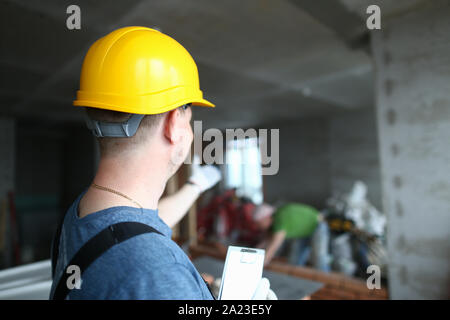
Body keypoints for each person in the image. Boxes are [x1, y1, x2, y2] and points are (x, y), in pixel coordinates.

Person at [50, 27, 274, 300]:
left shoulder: (82, 212)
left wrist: (195, 185)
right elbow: (138, 243)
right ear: (173, 124)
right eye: (189, 121)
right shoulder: (160, 273)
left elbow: (133, 228)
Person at [255, 203, 330, 271]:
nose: (259, 226)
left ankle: (327, 282)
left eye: (259, 223)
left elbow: (274, 245)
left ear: (266, 217)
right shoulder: (274, 222)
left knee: (319, 258)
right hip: (303, 232)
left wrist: (261, 264)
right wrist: (256, 252)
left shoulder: (279, 218)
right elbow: (267, 241)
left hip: (317, 226)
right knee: (294, 261)